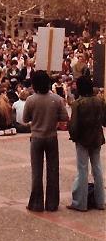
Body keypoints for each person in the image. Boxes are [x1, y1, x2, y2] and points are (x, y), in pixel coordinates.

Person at [23, 71, 69, 212]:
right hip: (51, 136)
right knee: (53, 170)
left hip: (36, 137)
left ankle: (36, 203)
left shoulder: (31, 100)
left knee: (36, 171)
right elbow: (65, 117)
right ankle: (52, 203)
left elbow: (25, 119)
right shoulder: (56, 99)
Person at [67, 76, 105, 211]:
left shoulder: (78, 103)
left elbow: (74, 125)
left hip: (82, 139)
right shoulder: (100, 101)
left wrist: (73, 136)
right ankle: (100, 201)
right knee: (98, 168)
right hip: (96, 138)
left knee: (82, 170)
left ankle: (80, 203)